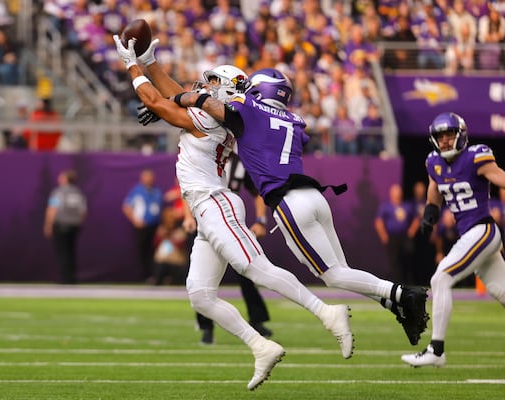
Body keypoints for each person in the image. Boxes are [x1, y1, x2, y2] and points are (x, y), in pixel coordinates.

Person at [114, 35, 353, 391]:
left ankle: (327, 312)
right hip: (205, 207)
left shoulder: (210, 121)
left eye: (212, 83)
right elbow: (173, 92)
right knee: (199, 294)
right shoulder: (217, 116)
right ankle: (261, 345)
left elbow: (156, 100)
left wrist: (131, 64)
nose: (203, 86)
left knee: (253, 268)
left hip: (216, 203)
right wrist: (149, 60)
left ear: (225, 90)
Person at [172, 67, 429, 347]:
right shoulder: (295, 120)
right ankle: (398, 308)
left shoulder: (249, 108)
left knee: (333, 275)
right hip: (315, 197)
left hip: (290, 203)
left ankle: (404, 294)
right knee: (344, 272)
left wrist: (179, 98)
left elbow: (209, 104)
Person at [401, 112, 505, 367]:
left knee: (440, 278)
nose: (444, 141)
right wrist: (429, 216)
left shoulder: (476, 157)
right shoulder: (433, 162)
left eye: (449, 135)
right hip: (471, 234)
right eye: (440, 137)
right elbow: (435, 190)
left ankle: (437, 349)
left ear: (461, 135)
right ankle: (436, 350)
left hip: (483, 229)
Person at [183, 153, 274, 345]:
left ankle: (257, 321)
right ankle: (206, 328)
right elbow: (186, 189)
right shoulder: (202, 154)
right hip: (205, 222)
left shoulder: (240, 162)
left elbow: (256, 192)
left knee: (247, 271)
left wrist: (260, 221)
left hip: (230, 223)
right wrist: (188, 217)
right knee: (201, 281)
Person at [44, 169, 87, 284]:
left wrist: (48, 225)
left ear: (66, 179)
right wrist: (78, 222)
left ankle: (64, 278)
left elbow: (52, 209)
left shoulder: (59, 192)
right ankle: (72, 278)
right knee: (71, 251)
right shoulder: (78, 193)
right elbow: (83, 211)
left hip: (61, 224)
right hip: (74, 225)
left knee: (62, 252)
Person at [122, 169, 163, 282]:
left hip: (155, 226)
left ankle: (154, 276)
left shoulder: (156, 191)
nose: (149, 179)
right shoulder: (137, 191)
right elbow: (126, 206)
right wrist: (135, 220)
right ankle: (144, 276)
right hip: (142, 227)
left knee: (154, 251)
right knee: (142, 251)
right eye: (147, 177)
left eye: (151, 177)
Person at [374, 183, 418, 285]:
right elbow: (378, 221)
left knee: (408, 258)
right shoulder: (386, 206)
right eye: (395, 192)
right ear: (391, 194)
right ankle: (394, 283)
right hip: (392, 237)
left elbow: (416, 218)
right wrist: (383, 235)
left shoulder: (407, 206)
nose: (397, 194)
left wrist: (412, 231)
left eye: (399, 192)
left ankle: (408, 283)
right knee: (393, 262)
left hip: (404, 237)